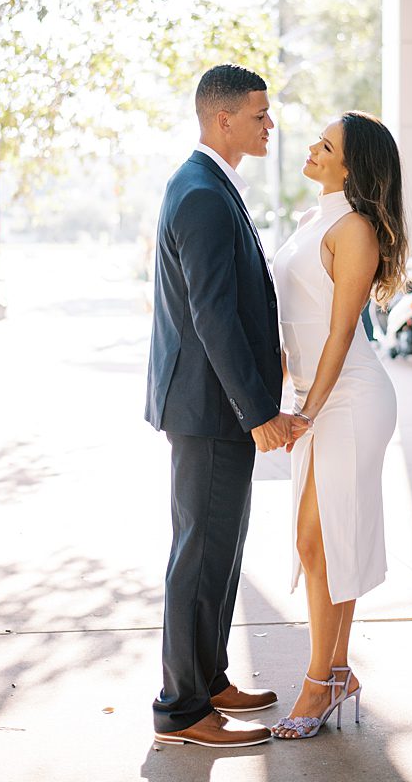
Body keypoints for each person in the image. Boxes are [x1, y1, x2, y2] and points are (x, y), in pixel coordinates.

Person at [145, 64, 309, 749]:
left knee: (220, 551)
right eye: (260, 114)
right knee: (199, 553)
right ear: (223, 120)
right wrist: (257, 412)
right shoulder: (204, 194)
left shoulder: (210, 185)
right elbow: (212, 317)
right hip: (209, 408)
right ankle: (182, 710)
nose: (270, 124)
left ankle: (208, 679)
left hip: (211, 406)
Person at [267, 112, 404, 739]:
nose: (313, 150)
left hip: (347, 396)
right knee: (318, 541)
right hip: (313, 395)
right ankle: (337, 672)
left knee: (322, 537)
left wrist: (308, 412)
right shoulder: (314, 219)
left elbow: (343, 333)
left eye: (327, 146)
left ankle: (320, 680)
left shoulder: (354, 229)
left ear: (353, 166)